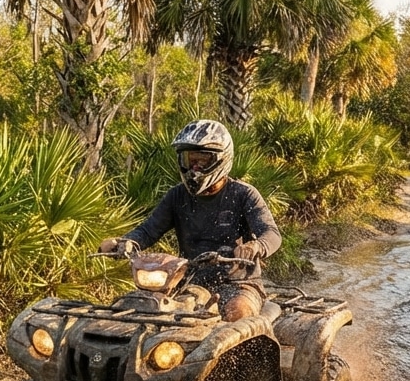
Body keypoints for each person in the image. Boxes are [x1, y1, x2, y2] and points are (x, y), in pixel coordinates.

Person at [100, 120, 281, 320]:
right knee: (137, 309)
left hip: (237, 284)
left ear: (221, 159)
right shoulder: (176, 196)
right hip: (187, 281)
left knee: (237, 312)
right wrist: (125, 243)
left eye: (202, 160)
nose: (195, 167)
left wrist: (255, 246)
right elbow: (148, 230)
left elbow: (271, 234)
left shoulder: (243, 194)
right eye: (190, 160)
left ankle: (246, 349)